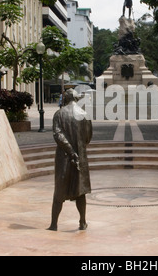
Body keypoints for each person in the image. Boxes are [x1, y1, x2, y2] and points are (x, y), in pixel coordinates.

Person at [48, 89, 93, 231]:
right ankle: (82, 222)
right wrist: (77, 150)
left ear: (65, 98)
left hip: (64, 157)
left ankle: (54, 224)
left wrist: (69, 151)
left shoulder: (59, 114)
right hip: (81, 156)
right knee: (80, 191)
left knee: (59, 192)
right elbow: (88, 136)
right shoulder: (84, 114)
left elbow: (58, 135)